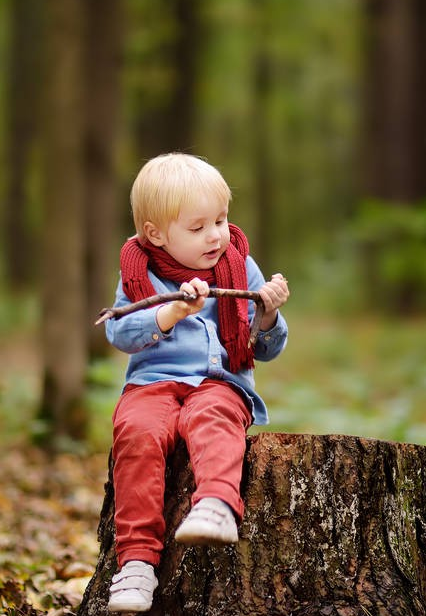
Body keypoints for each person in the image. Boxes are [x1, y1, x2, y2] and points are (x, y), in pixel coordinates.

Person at [102, 153, 290, 612]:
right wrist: (171, 312)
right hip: (153, 384)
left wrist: (267, 314)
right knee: (137, 433)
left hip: (219, 382)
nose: (215, 235)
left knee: (215, 416)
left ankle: (216, 505)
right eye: (198, 227)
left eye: (221, 221)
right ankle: (137, 562)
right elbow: (121, 332)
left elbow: (264, 347)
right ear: (156, 234)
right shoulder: (138, 272)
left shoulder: (240, 267)